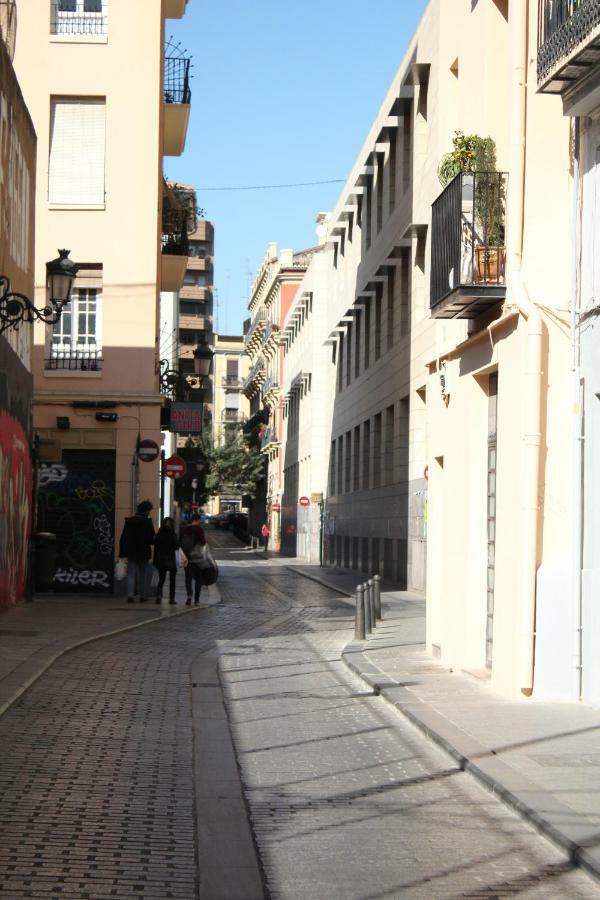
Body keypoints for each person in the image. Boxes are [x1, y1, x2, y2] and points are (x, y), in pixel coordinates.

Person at [119, 500, 155, 602]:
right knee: (143, 574)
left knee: (131, 574)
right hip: (144, 552)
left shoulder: (129, 522)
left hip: (131, 552)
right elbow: (151, 538)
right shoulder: (148, 522)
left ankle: (130, 595)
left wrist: (122, 552)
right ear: (146, 510)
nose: (149, 512)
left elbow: (124, 537)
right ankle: (143, 596)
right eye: (149, 510)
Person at [180, 512, 207, 606]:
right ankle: (196, 600)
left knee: (188, 578)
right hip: (198, 558)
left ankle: (189, 596)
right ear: (198, 520)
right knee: (198, 579)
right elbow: (203, 542)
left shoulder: (185, 529)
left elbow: (181, 542)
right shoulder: (199, 529)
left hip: (187, 558)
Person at [153, 517, 179, 605]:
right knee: (172, 581)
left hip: (161, 559)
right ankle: (171, 599)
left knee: (161, 579)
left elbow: (155, 547)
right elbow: (176, 546)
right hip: (171, 559)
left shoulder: (159, 534)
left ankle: (158, 596)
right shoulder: (173, 534)